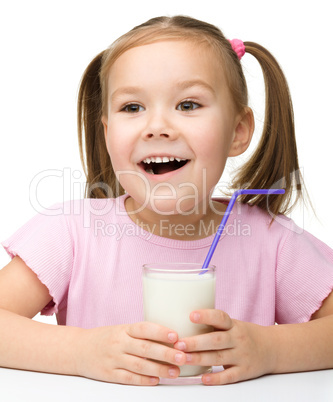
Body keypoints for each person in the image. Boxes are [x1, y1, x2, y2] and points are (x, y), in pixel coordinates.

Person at [0, 15, 332, 386]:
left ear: (238, 131)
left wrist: (271, 349)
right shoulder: (71, 232)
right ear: (107, 132)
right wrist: (82, 351)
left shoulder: (272, 240)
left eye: (188, 105)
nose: (157, 126)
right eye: (132, 107)